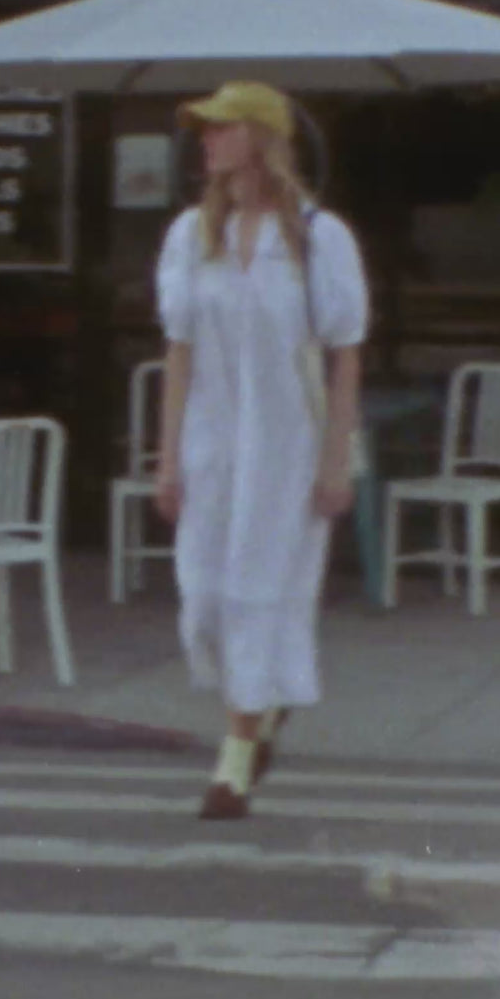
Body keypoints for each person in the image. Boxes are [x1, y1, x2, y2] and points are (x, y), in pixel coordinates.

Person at [153, 80, 369, 820]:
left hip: (287, 448)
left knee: (260, 593)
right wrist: (167, 456)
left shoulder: (317, 236)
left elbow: (345, 355)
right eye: (205, 129)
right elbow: (178, 352)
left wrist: (335, 460)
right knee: (206, 599)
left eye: (222, 127)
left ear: (261, 139)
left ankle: (235, 758)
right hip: (214, 442)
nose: (207, 140)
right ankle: (264, 705)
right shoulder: (191, 236)